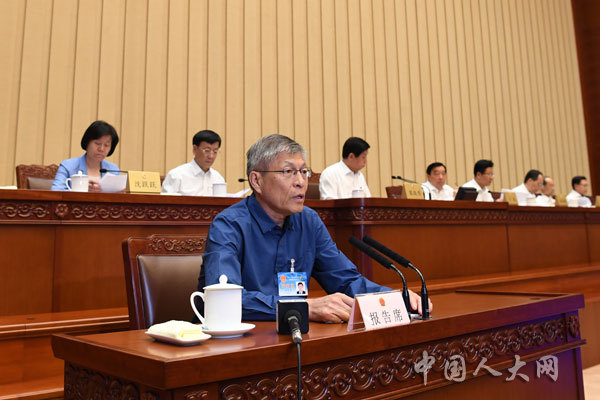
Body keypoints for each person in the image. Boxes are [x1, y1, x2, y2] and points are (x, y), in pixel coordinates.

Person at [199, 134, 431, 322]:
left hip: (294, 336)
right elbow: (223, 300)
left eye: (303, 171)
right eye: (288, 172)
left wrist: (390, 298)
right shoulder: (228, 225)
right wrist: (302, 308)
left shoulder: (308, 221)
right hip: (233, 344)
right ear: (256, 181)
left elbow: (345, 280)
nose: (301, 182)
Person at [51, 121, 120, 192]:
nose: (101, 149)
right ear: (87, 142)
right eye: (97, 143)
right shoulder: (68, 166)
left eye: (106, 145)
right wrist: (83, 191)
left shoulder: (113, 169)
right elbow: (55, 192)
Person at [162, 130, 225, 196]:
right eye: (207, 151)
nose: (211, 156)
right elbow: (166, 202)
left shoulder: (218, 178)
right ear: (195, 149)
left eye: (215, 152)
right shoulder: (176, 175)